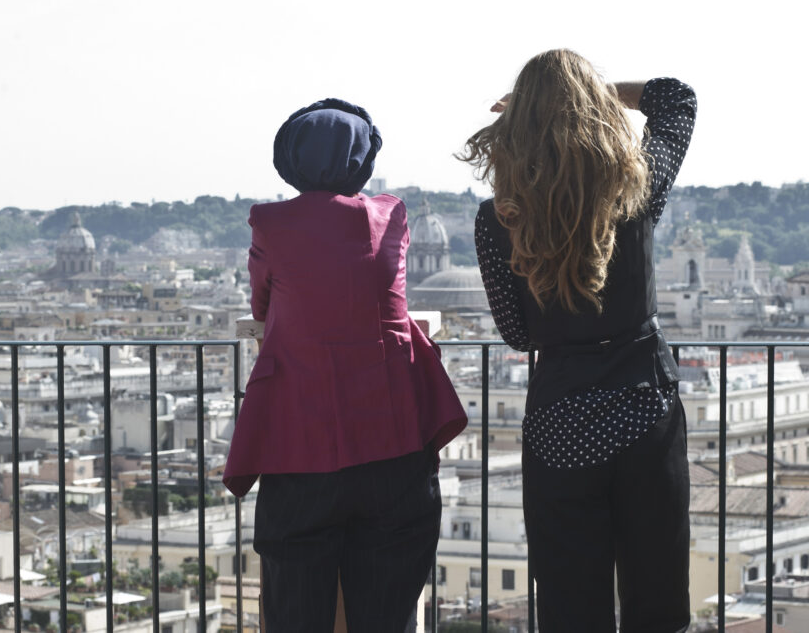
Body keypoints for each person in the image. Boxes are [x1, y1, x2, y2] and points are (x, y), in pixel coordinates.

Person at [461, 50, 696, 632]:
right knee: (657, 592)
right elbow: (676, 99)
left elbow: (516, 333)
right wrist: (597, 95)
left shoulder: (499, 219)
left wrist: (540, 109)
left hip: (562, 415)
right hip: (645, 406)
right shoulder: (634, 190)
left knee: (571, 600)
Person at [223, 98, 467, 631]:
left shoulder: (269, 224)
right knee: (388, 610)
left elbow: (263, 304)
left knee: (294, 610)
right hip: (395, 441)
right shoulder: (390, 214)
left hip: (299, 447)